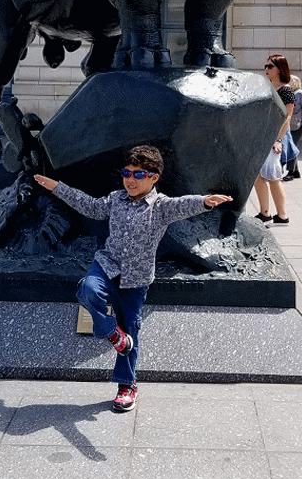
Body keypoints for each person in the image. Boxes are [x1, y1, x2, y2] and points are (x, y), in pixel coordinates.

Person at [34, 146, 232, 413]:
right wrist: (57, 187)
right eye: (126, 173)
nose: (130, 179)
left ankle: (127, 385)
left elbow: (183, 205)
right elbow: (90, 206)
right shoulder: (115, 199)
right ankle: (112, 333)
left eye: (138, 174)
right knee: (88, 290)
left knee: (132, 333)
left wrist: (205, 201)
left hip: (135, 279)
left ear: (154, 177)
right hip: (107, 265)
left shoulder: (160, 207)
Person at [254, 54, 295, 225]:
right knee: (258, 175)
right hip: (262, 136)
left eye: (270, 66)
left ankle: (282, 215)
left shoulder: (285, 90)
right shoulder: (267, 87)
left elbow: (287, 117)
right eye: (265, 66)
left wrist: (277, 140)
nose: (266, 69)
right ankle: (265, 212)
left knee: (272, 177)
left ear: (280, 69)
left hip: (274, 138)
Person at [282, 74, 302, 181]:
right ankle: (296, 172)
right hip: (290, 125)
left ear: (295, 82)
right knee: (292, 146)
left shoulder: (300, 94)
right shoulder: (288, 93)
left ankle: (290, 172)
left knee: (291, 146)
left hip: (299, 125)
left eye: (289, 80)